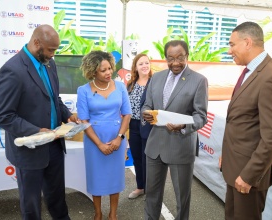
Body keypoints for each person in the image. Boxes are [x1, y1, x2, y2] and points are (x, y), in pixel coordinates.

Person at [0, 24, 77, 220]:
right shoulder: (12, 70)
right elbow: (2, 114)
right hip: (29, 151)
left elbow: (54, 98)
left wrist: (67, 115)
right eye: (50, 50)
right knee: (31, 205)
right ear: (36, 42)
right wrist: (35, 131)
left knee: (57, 198)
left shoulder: (49, 63)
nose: (53, 55)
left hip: (54, 146)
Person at [219, 21, 272, 219]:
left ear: (247, 42)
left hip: (248, 176)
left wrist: (249, 175)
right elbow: (243, 122)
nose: (229, 50)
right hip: (236, 167)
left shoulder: (271, 77)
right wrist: (228, 155)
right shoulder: (251, 71)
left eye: (232, 44)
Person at [142, 40, 208, 220]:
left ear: (187, 56)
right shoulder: (156, 77)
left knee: (182, 198)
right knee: (152, 195)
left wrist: (184, 126)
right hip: (155, 146)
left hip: (180, 145)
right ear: (165, 58)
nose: (175, 63)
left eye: (180, 58)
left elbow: (201, 116)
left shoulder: (199, 81)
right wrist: (145, 113)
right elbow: (147, 104)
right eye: (170, 58)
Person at [76, 50, 131, 220]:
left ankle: (113, 214)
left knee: (115, 177)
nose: (108, 73)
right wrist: (99, 144)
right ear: (93, 71)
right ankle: (98, 213)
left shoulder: (121, 86)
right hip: (94, 141)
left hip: (117, 137)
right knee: (96, 177)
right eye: (103, 70)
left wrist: (119, 138)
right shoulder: (83, 90)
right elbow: (84, 121)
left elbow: (127, 114)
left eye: (109, 68)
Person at [126, 54, 153, 199]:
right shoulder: (131, 84)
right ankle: (140, 187)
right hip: (134, 125)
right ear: (135, 67)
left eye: (146, 63)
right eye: (141, 64)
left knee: (148, 158)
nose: (144, 66)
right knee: (137, 157)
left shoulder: (154, 83)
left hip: (149, 126)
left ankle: (151, 188)